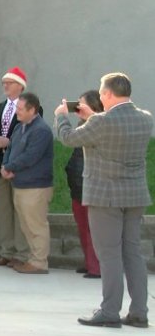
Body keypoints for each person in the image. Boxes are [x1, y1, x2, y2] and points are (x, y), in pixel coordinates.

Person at [55, 73, 151, 329]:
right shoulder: (145, 118)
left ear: (108, 94)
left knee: (109, 255)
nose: (99, 96)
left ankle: (109, 311)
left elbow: (68, 139)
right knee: (133, 252)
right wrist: (91, 117)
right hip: (135, 195)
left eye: (101, 92)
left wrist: (61, 116)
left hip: (105, 196)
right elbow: (111, 134)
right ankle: (139, 312)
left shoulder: (100, 122)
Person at [0, 92, 54, 274]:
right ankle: (32, 259)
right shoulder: (19, 127)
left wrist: (10, 167)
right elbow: (11, 149)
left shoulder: (41, 130)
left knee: (36, 225)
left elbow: (31, 157)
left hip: (36, 187)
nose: (17, 112)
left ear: (32, 109)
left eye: (21, 109)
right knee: (26, 225)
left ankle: (39, 262)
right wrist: (5, 165)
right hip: (20, 184)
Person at [0, 66, 31, 268]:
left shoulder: (29, 107)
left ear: (20, 86)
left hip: (19, 168)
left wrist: (9, 142)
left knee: (19, 211)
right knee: (3, 211)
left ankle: (21, 254)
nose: (5, 85)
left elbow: (30, 136)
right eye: (4, 82)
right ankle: (7, 251)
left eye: (9, 82)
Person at [64, 90, 103, 279]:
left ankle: (96, 267)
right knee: (82, 227)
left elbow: (68, 139)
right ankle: (89, 263)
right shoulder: (82, 125)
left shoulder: (97, 126)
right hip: (78, 186)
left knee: (93, 229)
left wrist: (61, 117)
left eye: (82, 104)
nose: (78, 107)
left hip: (89, 186)